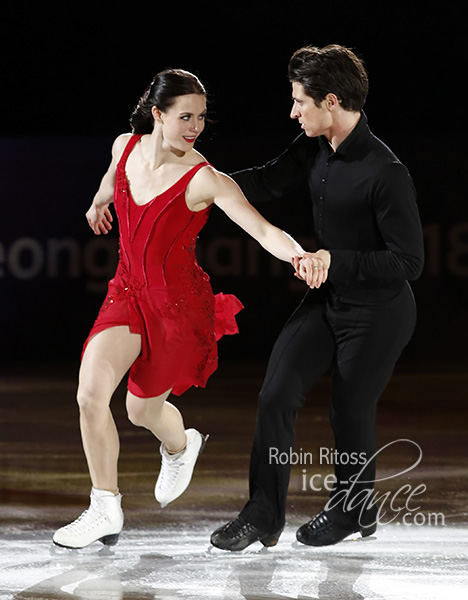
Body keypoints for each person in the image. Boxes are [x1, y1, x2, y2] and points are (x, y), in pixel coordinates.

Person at [52, 69, 321, 550]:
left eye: (200, 117)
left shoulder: (203, 179)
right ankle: (104, 507)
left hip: (177, 310)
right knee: (90, 395)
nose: (195, 126)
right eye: (185, 116)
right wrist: (99, 201)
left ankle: (180, 445)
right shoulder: (124, 146)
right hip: (127, 292)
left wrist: (299, 254)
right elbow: (112, 176)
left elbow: (262, 231)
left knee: (139, 411)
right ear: (157, 114)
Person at [211, 44, 424, 551]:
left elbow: (408, 262)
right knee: (276, 394)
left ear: (331, 101)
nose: (292, 111)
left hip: (380, 311)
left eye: (299, 102)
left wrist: (335, 259)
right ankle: (263, 515)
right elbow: (262, 182)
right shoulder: (312, 147)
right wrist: (198, 187)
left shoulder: (385, 172)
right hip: (328, 301)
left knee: (349, 410)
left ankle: (354, 511)